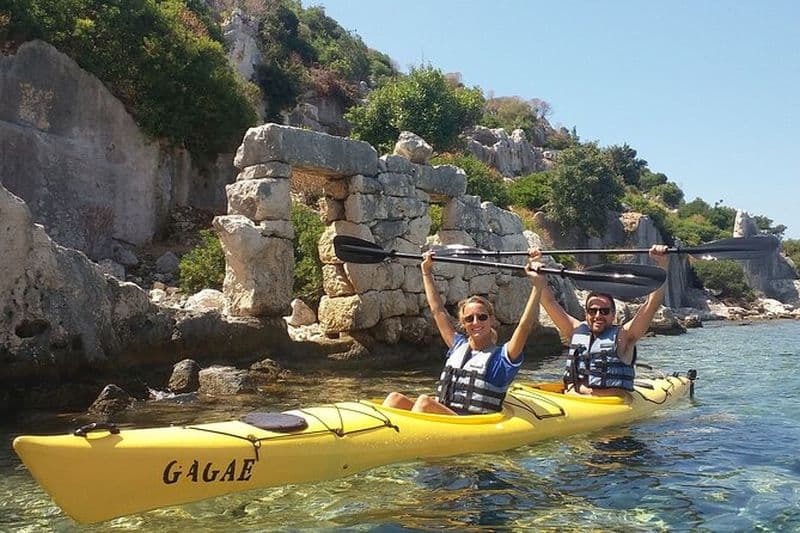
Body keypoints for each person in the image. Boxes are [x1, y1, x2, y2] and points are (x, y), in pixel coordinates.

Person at [382, 249, 546, 415]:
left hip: (470, 423)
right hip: (446, 417)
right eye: (469, 319)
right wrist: (426, 270)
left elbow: (525, 325)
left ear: (491, 320)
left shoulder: (503, 358)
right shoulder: (457, 345)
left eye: (482, 317)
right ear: (463, 324)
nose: (476, 322)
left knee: (424, 403)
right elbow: (437, 310)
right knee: (394, 398)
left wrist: (537, 287)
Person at [538, 244, 670, 396]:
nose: (598, 315)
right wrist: (537, 274)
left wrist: (662, 264)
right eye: (592, 311)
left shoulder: (624, 336)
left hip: (608, 404)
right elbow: (549, 302)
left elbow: (651, 305)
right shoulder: (575, 330)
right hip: (572, 400)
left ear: (613, 314)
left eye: (604, 311)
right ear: (586, 313)